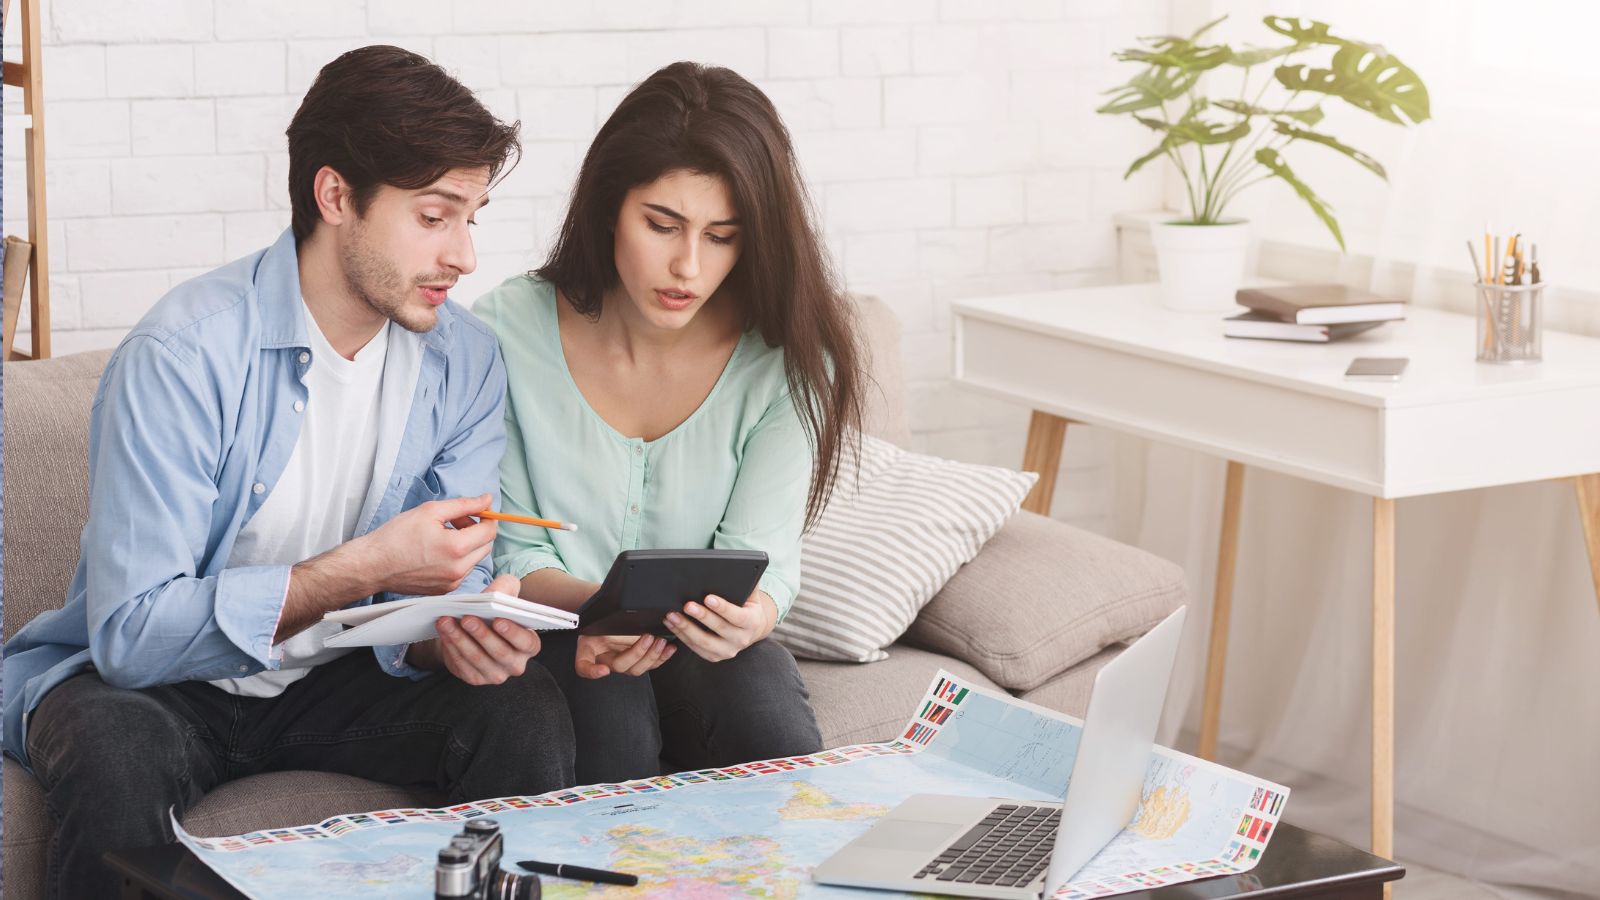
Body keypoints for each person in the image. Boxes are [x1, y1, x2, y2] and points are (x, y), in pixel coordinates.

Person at [1, 46, 575, 898]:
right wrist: (367, 566)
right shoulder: (183, 355)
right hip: (157, 687)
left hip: (337, 682)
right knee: (115, 751)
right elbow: (129, 638)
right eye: (434, 216)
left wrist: (452, 634)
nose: (463, 255)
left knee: (522, 712)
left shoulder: (465, 362)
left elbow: (436, 591)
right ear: (336, 195)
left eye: (473, 217)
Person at [475, 61, 864, 784]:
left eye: (722, 235)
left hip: (705, 644)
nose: (687, 265)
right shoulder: (507, 330)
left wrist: (758, 615)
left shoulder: (784, 359)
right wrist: (606, 611)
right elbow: (514, 554)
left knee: (770, 733)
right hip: (565, 630)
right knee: (608, 726)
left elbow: (763, 552)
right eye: (662, 224)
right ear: (607, 208)